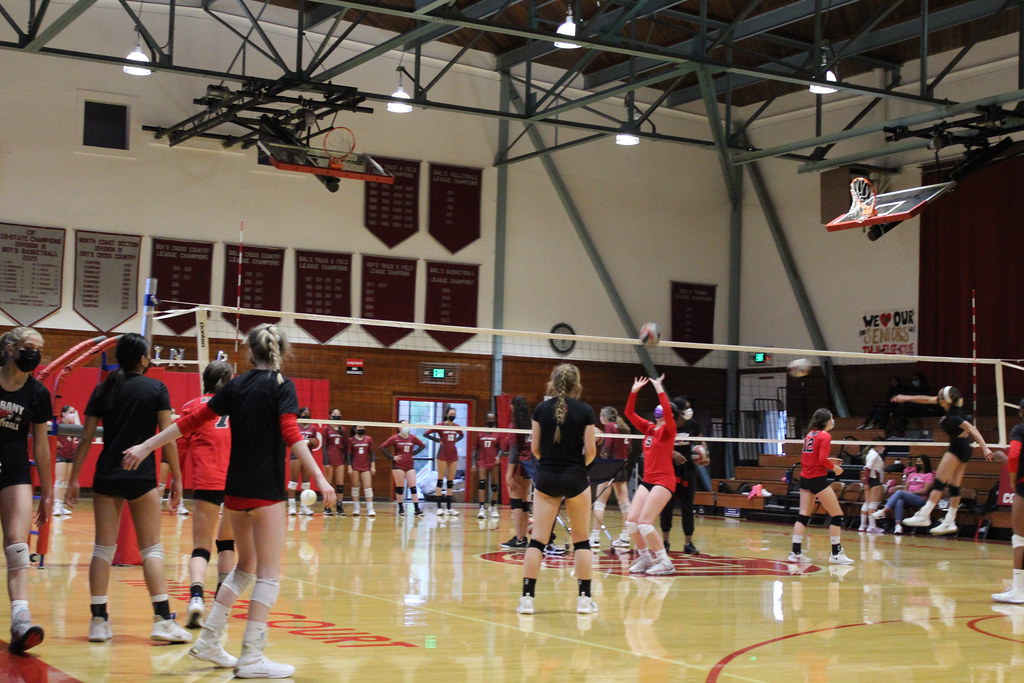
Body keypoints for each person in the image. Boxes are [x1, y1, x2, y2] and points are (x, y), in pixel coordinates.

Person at [123, 323, 336, 678]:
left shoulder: (236, 385)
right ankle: (252, 656)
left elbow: (189, 421)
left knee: (244, 569)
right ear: (281, 353)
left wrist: (147, 446)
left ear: (250, 352)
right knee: (268, 574)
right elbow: (290, 432)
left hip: (234, 490)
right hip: (266, 490)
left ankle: (208, 641)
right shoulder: (282, 386)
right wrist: (321, 477)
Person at [66, 333, 191, 644]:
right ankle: (162, 619)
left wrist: (72, 479)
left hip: (107, 474)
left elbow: (85, 438)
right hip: (142, 476)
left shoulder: (104, 387)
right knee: (152, 549)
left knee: (102, 549)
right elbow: (168, 435)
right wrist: (177, 477)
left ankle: (98, 620)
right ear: (143, 358)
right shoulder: (156, 388)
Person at [517, 364, 598, 615]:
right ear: (577, 385)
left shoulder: (541, 409)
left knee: (537, 540)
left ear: (552, 383)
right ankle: (584, 600)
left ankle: (527, 600)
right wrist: (576, 468)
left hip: (546, 477)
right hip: (575, 477)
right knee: (581, 541)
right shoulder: (586, 410)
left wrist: (549, 465)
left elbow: (536, 448)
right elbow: (591, 451)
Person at [0, 326, 53, 653]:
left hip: (15, 470)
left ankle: (21, 620)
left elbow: (43, 447)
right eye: (28, 347)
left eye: (39, 348)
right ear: (9, 349)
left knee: (18, 546)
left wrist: (47, 493)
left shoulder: (37, 393)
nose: (34, 353)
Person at [177, 360, 236, 630]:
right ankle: (220, 607)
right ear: (228, 379)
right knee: (227, 544)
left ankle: (196, 598)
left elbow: (178, 449)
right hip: (236, 482)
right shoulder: (239, 406)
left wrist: (173, 487)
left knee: (201, 547)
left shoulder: (192, 406)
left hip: (206, 482)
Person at [896, 386, 994, 535]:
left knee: (939, 482)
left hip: (957, 448)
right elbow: (925, 399)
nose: (937, 395)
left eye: (940, 394)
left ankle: (924, 515)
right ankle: (949, 521)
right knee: (954, 487)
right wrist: (906, 397)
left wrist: (985, 448)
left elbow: (972, 429)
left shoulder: (953, 417)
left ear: (945, 400)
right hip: (964, 448)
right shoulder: (950, 407)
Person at [623, 375, 677, 576]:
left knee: (645, 523)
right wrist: (634, 391)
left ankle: (665, 561)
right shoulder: (648, 428)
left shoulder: (668, 431)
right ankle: (645, 558)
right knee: (632, 522)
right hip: (648, 480)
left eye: (662, 409)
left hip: (664, 481)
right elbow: (628, 413)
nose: (659, 411)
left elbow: (669, 415)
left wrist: (658, 388)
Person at [787, 408, 854, 565]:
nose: (833, 421)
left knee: (803, 515)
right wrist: (836, 468)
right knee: (837, 515)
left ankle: (795, 552)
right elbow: (822, 460)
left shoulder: (810, 435)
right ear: (826, 420)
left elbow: (812, 457)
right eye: (831, 418)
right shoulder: (825, 435)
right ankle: (836, 553)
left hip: (804, 478)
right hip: (817, 479)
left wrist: (829, 460)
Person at [660, 397, 708, 555]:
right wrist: (672, 453)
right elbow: (658, 445)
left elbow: (701, 441)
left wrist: (705, 454)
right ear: (678, 412)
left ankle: (688, 543)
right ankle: (665, 542)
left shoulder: (692, 424)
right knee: (667, 506)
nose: (689, 411)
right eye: (686, 408)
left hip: (688, 469)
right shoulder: (666, 425)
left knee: (688, 507)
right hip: (669, 470)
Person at [993, 399, 1024, 603]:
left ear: (1021, 412)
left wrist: (1013, 480)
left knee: (1020, 539)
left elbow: (1014, 455)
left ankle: (1018, 591)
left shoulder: (1020, 429)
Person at [590, 406, 632, 549]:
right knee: (625, 503)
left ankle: (595, 537)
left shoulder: (609, 427)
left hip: (610, 466)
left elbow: (607, 447)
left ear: (604, 417)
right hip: (622, 466)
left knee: (600, 502)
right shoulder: (625, 427)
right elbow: (629, 448)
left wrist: (600, 449)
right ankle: (626, 536)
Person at [500, 396, 533, 550]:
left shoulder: (515, 426)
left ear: (513, 407)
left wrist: (509, 474)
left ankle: (520, 539)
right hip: (530, 465)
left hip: (519, 465)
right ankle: (522, 537)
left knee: (516, 501)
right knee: (524, 501)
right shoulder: (532, 424)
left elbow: (513, 451)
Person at [872, 455, 934, 534]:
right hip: (908, 497)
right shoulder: (912, 474)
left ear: (925, 464)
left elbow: (925, 490)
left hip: (920, 499)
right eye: (917, 462)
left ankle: (883, 511)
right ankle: (898, 526)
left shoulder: (928, 475)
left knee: (899, 493)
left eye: (919, 462)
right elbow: (905, 488)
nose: (917, 463)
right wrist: (907, 493)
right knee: (899, 500)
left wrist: (909, 493)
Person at [424, 406, 464, 516]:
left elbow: (462, 435)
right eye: (451, 414)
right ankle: (439, 507)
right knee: (440, 480)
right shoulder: (440, 425)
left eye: (454, 414)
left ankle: (449, 508)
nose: (453, 416)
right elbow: (426, 434)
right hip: (442, 454)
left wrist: (455, 440)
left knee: (450, 481)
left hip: (453, 455)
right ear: (446, 415)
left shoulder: (456, 427)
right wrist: (438, 440)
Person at [380, 421, 425, 516]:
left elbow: (422, 445)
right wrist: (392, 457)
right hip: (398, 466)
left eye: (408, 425)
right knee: (400, 488)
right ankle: (401, 508)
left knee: (413, 487)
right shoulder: (395, 438)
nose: (406, 427)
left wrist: (413, 453)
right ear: (399, 428)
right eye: (404, 425)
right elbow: (382, 447)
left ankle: (417, 509)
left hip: (409, 466)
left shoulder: (412, 437)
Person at [288, 407, 321, 516]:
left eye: (308, 414)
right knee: (293, 481)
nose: (306, 415)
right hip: (296, 455)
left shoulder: (312, 428)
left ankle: (304, 507)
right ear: (300, 414)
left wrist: (314, 441)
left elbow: (316, 444)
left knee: (306, 482)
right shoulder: (295, 426)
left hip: (308, 456)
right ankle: (292, 506)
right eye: (304, 413)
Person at [473, 412, 502, 519]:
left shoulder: (497, 432)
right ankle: (481, 508)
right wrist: (473, 463)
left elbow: (502, 447)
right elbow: (475, 448)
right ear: (486, 420)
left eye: (493, 419)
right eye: (489, 419)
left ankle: (494, 507)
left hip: (493, 462)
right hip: (482, 461)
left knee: (494, 485)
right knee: (482, 483)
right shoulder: (480, 431)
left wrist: (498, 456)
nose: (491, 421)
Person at [53, 404, 80, 517]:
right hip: (60, 455)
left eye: (74, 412)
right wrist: (57, 444)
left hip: (70, 455)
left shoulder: (73, 426)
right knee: (60, 479)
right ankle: (56, 505)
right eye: (70, 412)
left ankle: (61, 504)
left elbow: (78, 438)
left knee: (65, 481)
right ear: (63, 413)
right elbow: (52, 439)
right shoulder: (59, 425)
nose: (72, 414)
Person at [322, 409, 347, 515]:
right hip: (330, 459)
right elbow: (323, 445)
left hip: (340, 459)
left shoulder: (343, 429)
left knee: (340, 485)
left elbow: (345, 445)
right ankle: (327, 507)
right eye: (335, 414)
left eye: (339, 414)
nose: (337, 415)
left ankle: (339, 506)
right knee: (328, 484)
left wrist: (346, 459)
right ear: (330, 416)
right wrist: (325, 460)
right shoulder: (326, 429)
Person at [348, 424, 376, 517]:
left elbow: (372, 453)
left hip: (365, 467)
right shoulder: (351, 440)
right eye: (360, 427)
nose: (362, 429)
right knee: (355, 487)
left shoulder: (368, 439)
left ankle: (370, 509)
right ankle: (356, 509)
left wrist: (373, 466)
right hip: (355, 466)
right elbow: (348, 455)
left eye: (363, 427)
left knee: (368, 488)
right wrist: (349, 467)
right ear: (355, 429)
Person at [859, 443, 886, 533]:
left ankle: (862, 526)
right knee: (873, 504)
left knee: (867, 504)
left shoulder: (870, 454)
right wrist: (866, 483)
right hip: (874, 480)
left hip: (870, 480)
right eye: (882, 446)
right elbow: (868, 468)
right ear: (877, 446)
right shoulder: (874, 455)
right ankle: (872, 527)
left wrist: (866, 482)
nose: (883, 448)